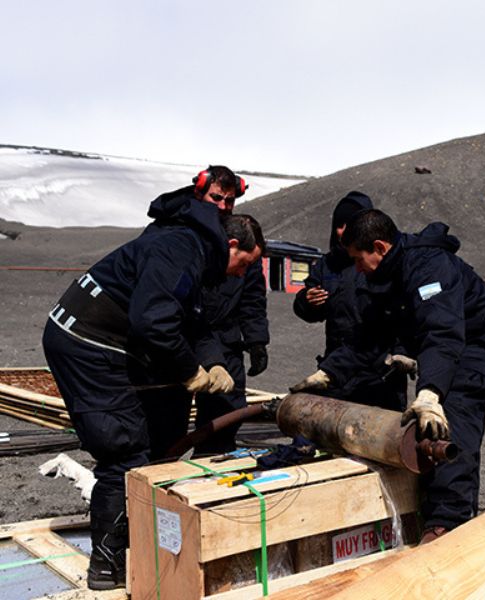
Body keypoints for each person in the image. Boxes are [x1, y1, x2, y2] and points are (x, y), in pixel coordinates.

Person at [42, 194, 265, 590]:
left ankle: (143, 537)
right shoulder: (181, 250)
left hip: (106, 340)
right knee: (125, 448)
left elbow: (193, 320)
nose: (239, 275)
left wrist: (213, 360)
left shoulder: (195, 251)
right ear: (232, 245)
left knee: (157, 437)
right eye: (244, 265)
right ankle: (107, 569)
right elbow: (155, 323)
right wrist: (190, 372)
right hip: (85, 344)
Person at [292, 209, 485, 543]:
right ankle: (429, 506)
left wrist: (429, 393)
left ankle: (448, 523)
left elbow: (441, 332)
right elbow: (369, 337)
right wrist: (328, 373)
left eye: (358, 258)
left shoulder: (429, 266)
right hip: (446, 344)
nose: (355, 267)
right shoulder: (383, 277)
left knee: (453, 412)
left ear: (380, 247)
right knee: (424, 418)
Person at [291, 191, 406, 409]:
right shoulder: (327, 264)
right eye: (338, 225)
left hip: (379, 373)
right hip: (337, 366)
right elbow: (307, 309)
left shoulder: (382, 262)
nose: (340, 231)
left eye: (347, 225)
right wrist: (307, 301)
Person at [187, 166, 270, 454]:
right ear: (199, 193)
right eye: (217, 198)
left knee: (228, 412)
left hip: (226, 339)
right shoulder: (185, 238)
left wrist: (257, 340)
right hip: (184, 336)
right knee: (168, 419)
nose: (223, 207)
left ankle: (213, 462)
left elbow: (253, 299)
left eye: (230, 200)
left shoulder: (246, 239)